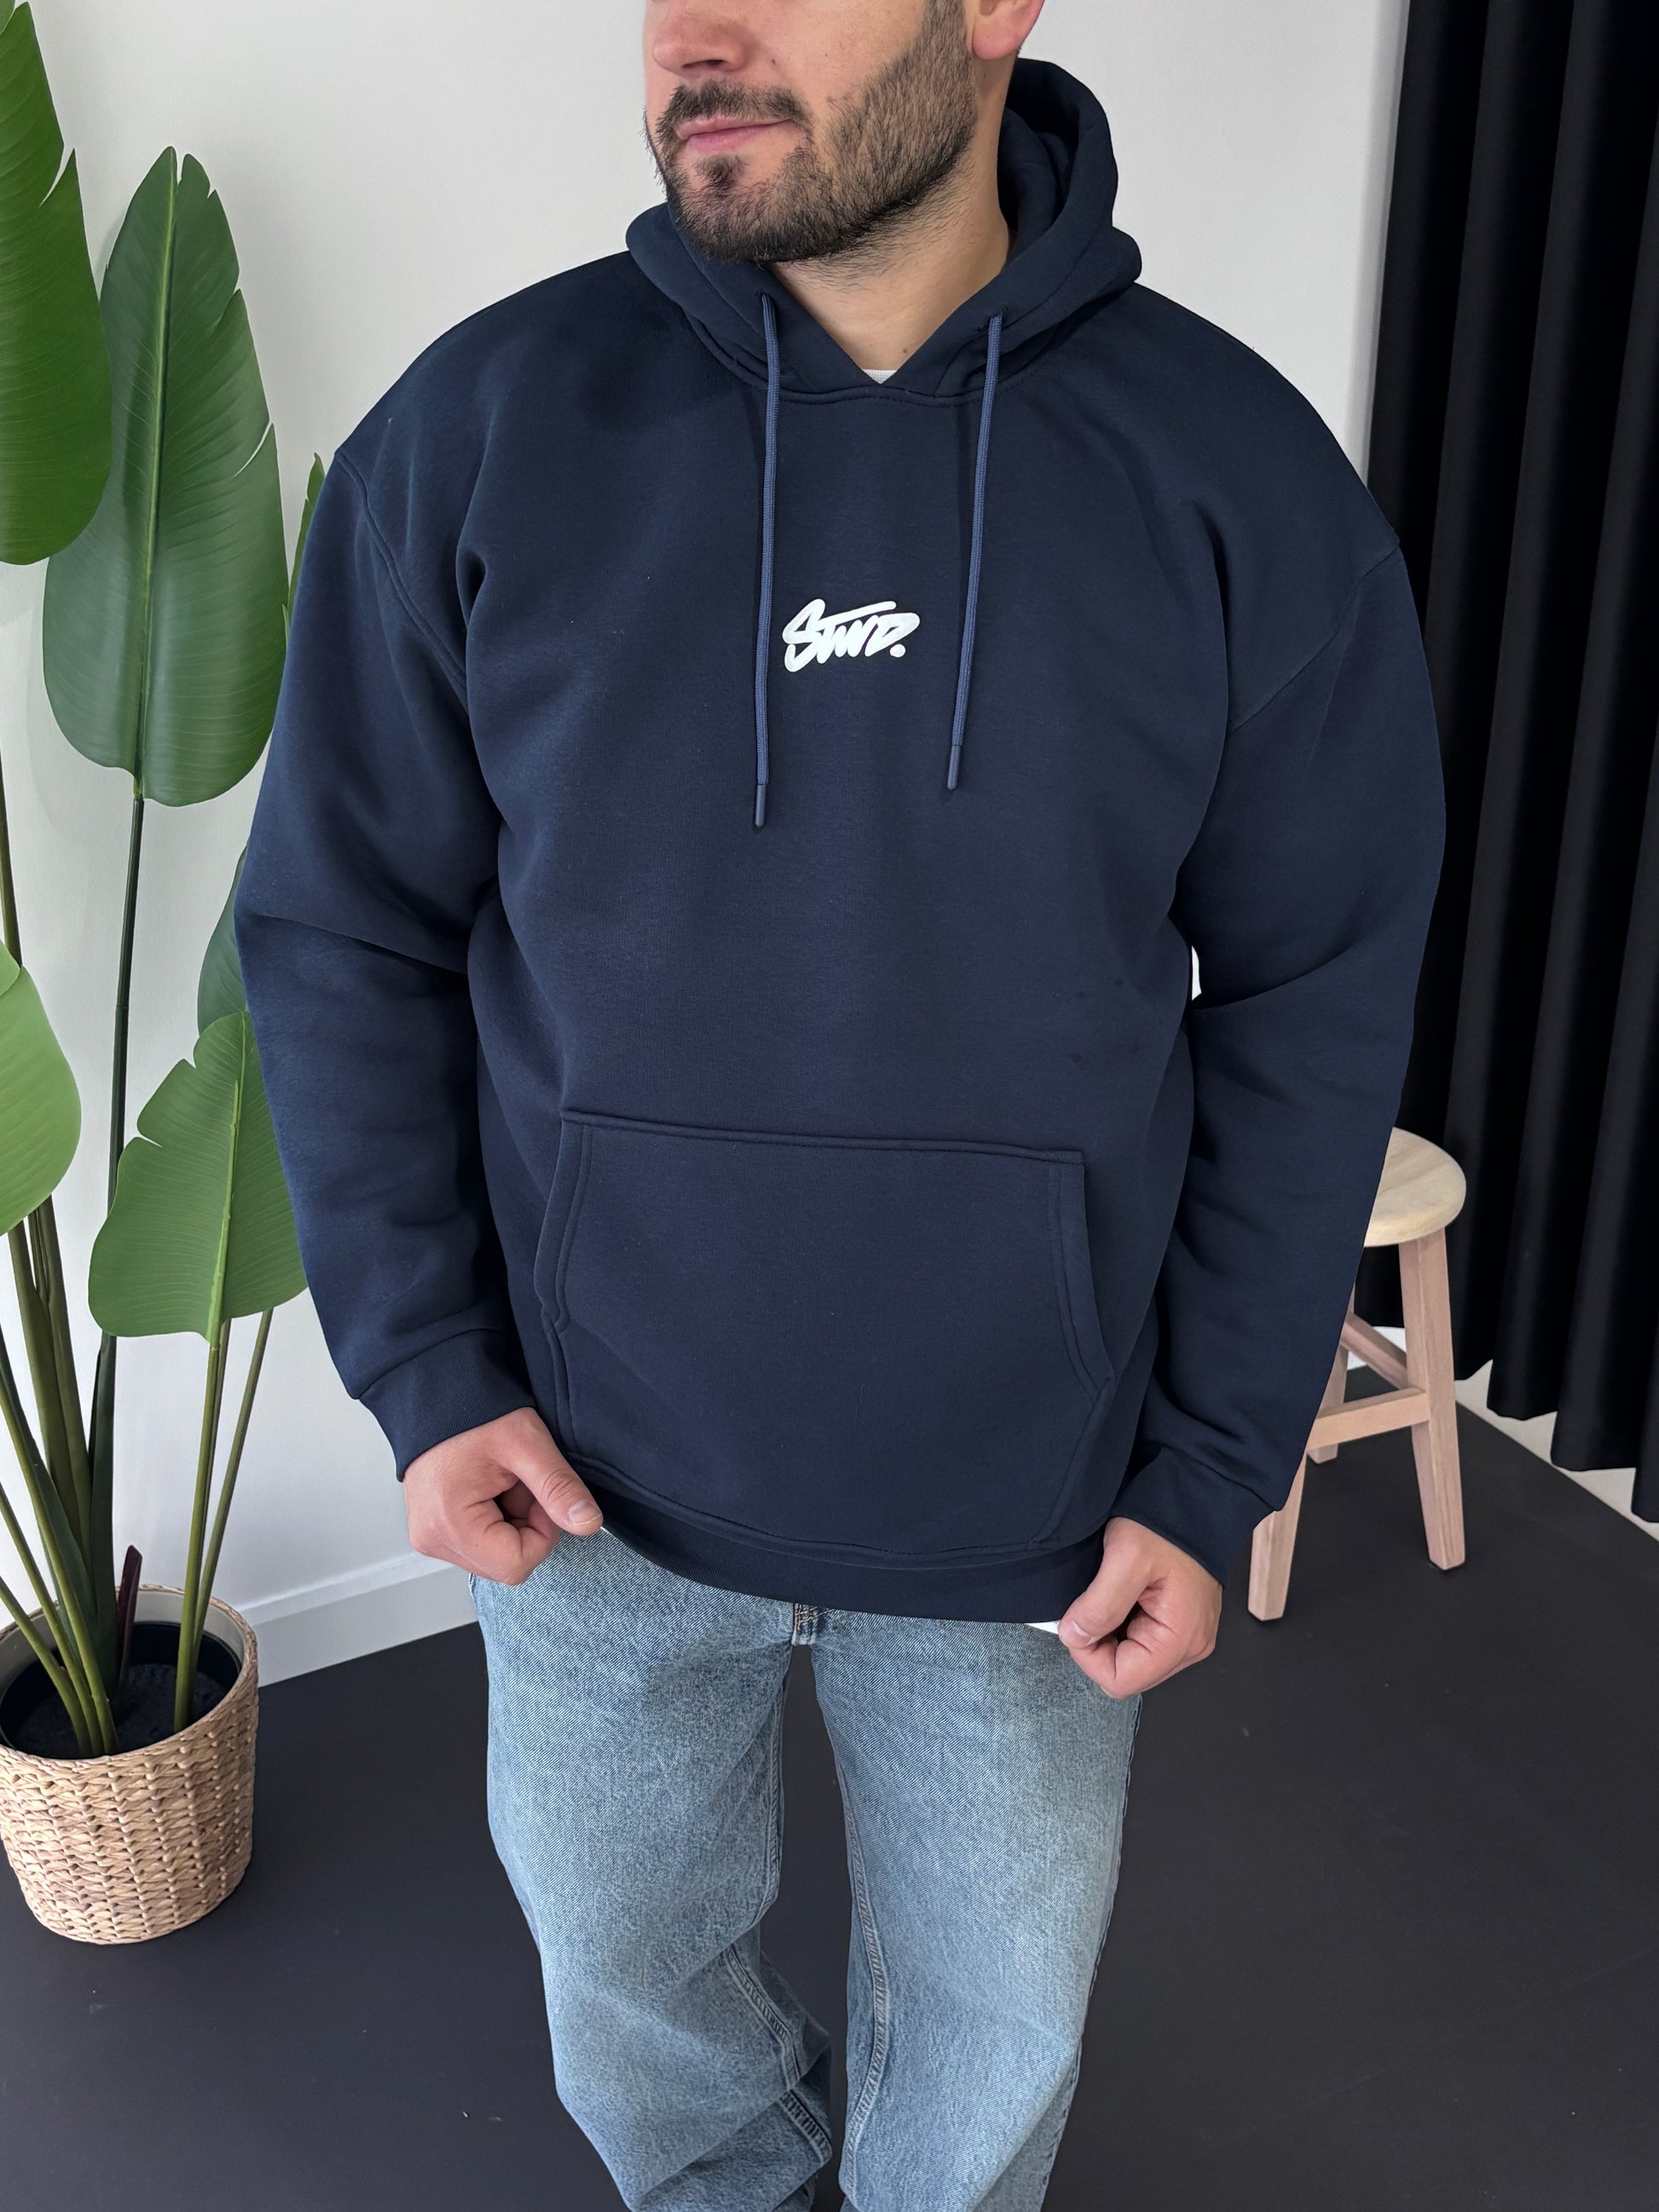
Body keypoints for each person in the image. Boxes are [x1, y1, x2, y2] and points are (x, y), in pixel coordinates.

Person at [235, 3, 1446, 2204]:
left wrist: (1211, 1461)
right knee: (624, 1979)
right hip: (581, 1479)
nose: (694, 33)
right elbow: (341, 927)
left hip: (1035, 1502)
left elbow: (1308, 1003)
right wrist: (425, 1366)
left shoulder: (1234, 480)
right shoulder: (484, 435)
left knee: (994, 2025)